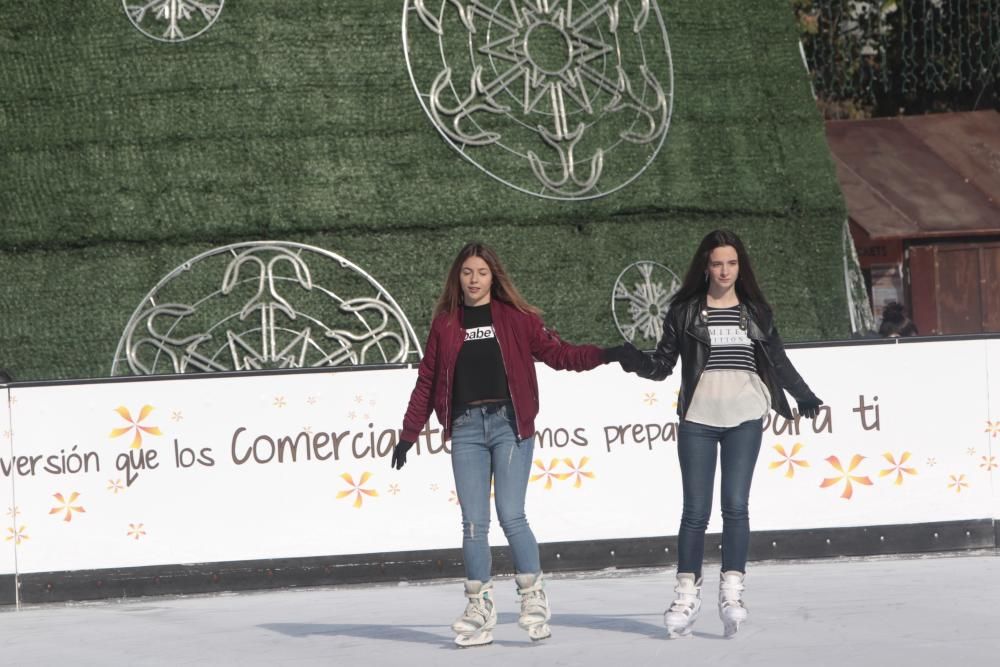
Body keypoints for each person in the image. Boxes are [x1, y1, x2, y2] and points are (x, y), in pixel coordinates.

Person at [392, 241, 630, 647]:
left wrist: (607, 354)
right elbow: (427, 380)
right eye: (467, 272)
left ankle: (532, 596)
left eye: (481, 273)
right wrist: (408, 433)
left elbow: (559, 354)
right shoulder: (446, 324)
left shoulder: (515, 318)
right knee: (472, 522)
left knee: (510, 513)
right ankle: (479, 605)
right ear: (458, 277)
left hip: (508, 424)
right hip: (466, 428)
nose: (473, 280)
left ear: (493, 277)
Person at [617, 229, 822, 639]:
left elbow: (777, 360)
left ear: (739, 266)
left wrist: (804, 395)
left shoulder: (757, 312)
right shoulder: (686, 311)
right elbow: (662, 365)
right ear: (706, 267)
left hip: (744, 416)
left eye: (731, 263)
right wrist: (632, 359)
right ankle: (685, 594)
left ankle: (732, 591)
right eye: (717, 263)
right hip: (698, 419)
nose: (725, 271)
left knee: (735, 505)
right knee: (695, 511)